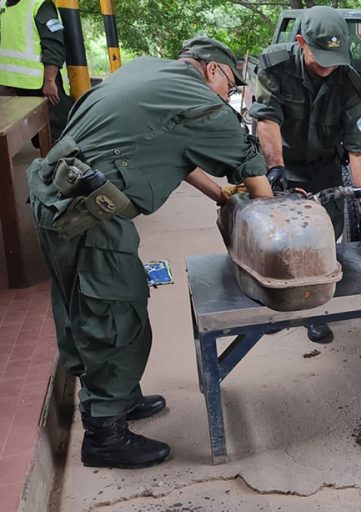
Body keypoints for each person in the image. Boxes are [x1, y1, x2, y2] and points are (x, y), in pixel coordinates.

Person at [26, 37, 272, 469]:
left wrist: (220, 195)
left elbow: (180, 153)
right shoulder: (202, 100)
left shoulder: (147, 73)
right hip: (90, 216)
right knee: (114, 313)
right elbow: (249, 165)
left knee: (82, 305)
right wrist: (271, 215)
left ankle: (119, 399)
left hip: (55, 195)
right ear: (212, 70)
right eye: (229, 84)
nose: (227, 94)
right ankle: (104, 435)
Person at [251, 5, 361, 344]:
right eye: (320, 55)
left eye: (334, 56)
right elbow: (267, 120)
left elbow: (357, 148)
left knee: (321, 242)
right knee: (275, 242)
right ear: (301, 42)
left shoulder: (349, 83)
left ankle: (312, 310)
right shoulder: (275, 67)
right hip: (281, 162)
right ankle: (274, 305)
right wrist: (275, 167)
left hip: (323, 167)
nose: (327, 64)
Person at [0, 0, 74, 143]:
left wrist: (49, 81)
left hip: (44, 86)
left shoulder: (40, 5)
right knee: (39, 138)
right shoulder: (4, 5)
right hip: (19, 88)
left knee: (60, 134)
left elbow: (54, 46)